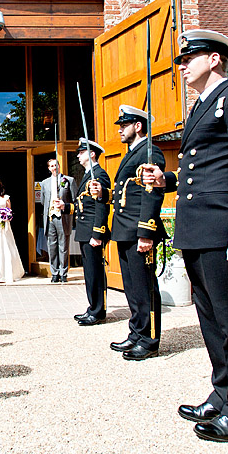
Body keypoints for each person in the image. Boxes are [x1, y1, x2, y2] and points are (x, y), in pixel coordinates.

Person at [142, 29, 228, 443]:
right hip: (197, 230)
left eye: (188, 58)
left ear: (213, 59)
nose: (181, 66)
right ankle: (223, 392)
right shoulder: (200, 106)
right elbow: (204, 168)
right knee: (212, 320)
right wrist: (169, 177)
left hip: (223, 229)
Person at [89, 105, 166, 360]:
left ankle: (149, 339)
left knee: (144, 288)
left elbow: (151, 193)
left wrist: (146, 232)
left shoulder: (149, 152)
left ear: (139, 126)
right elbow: (128, 193)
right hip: (125, 231)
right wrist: (105, 194)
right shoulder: (132, 153)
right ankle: (136, 332)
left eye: (124, 124)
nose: (120, 129)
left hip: (138, 231)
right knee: (132, 288)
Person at [55, 138, 110, 325]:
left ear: (92, 154)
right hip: (85, 231)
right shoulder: (88, 174)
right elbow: (82, 206)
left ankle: (98, 311)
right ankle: (93, 307)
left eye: (81, 152)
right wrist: (65, 206)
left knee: (95, 273)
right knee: (90, 273)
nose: (78, 155)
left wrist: (97, 234)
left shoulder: (99, 175)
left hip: (92, 233)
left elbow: (101, 206)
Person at [39, 159, 76, 283]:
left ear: (59, 166)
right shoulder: (44, 183)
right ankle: (54, 273)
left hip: (63, 217)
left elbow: (75, 200)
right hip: (50, 218)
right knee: (52, 246)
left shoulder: (69, 180)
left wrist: (64, 205)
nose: (54, 167)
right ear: (49, 168)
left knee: (63, 246)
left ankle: (63, 273)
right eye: (51, 166)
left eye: (56, 165)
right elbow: (43, 201)